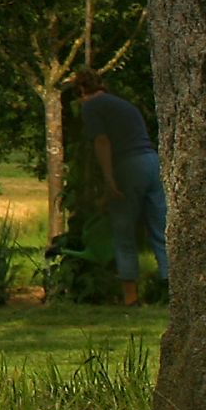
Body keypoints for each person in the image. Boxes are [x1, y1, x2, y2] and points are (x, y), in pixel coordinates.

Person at [74, 68, 168, 306]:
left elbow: (102, 141)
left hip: (128, 164)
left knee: (123, 232)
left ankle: (131, 298)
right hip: (152, 161)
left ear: (81, 90)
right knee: (160, 231)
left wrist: (109, 179)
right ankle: (171, 292)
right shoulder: (123, 105)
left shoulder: (91, 106)